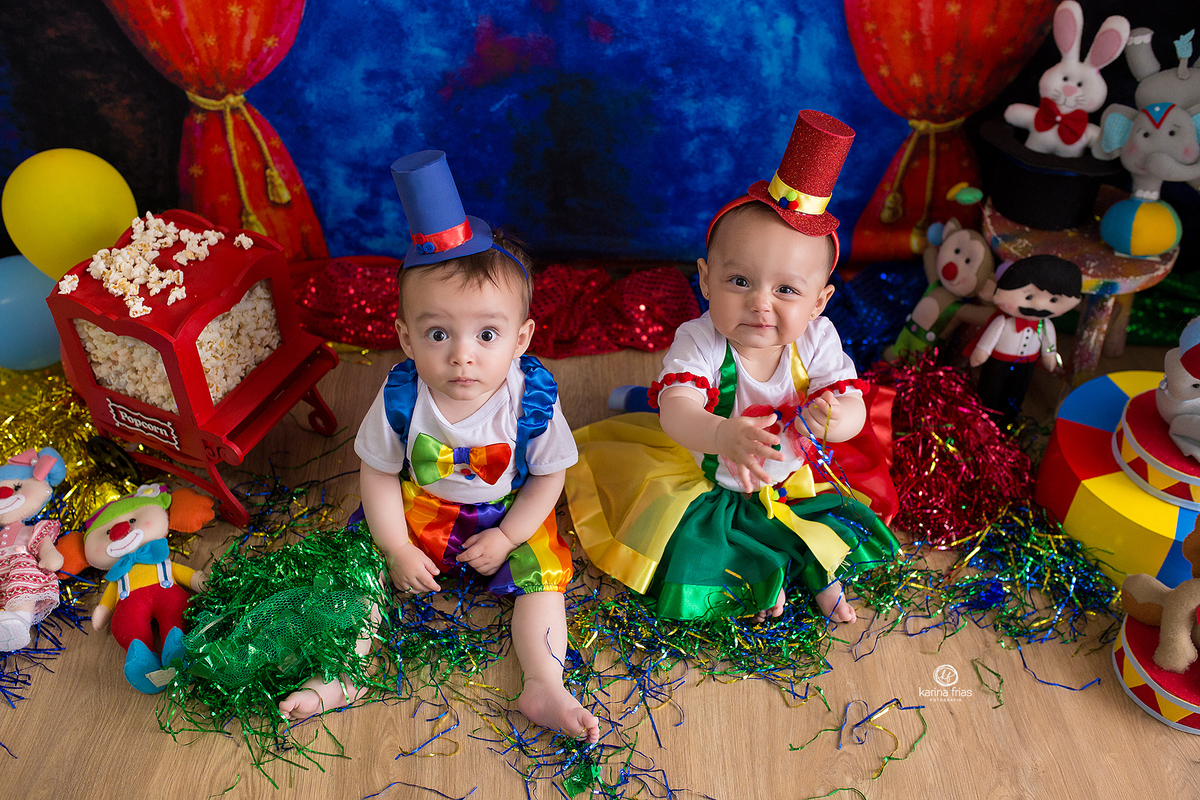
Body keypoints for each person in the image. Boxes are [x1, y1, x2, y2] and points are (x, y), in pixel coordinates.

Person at [567, 110, 898, 624]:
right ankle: (758, 582)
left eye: (786, 290)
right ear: (705, 278)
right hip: (711, 475)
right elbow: (676, 410)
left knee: (811, 526)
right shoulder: (701, 339)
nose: (760, 304)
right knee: (709, 536)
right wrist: (721, 435)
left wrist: (839, 417)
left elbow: (851, 402)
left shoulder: (817, 341)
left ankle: (820, 579)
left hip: (790, 477)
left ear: (819, 302)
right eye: (739, 281)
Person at [350, 151, 599, 743]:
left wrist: (511, 536)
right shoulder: (401, 396)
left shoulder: (529, 396)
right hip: (423, 507)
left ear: (521, 338)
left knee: (543, 587)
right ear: (406, 337)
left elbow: (547, 478)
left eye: (487, 334)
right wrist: (394, 547)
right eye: (439, 333)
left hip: (505, 511)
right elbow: (380, 475)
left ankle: (543, 681)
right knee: (359, 575)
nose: (463, 354)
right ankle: (346, 667)